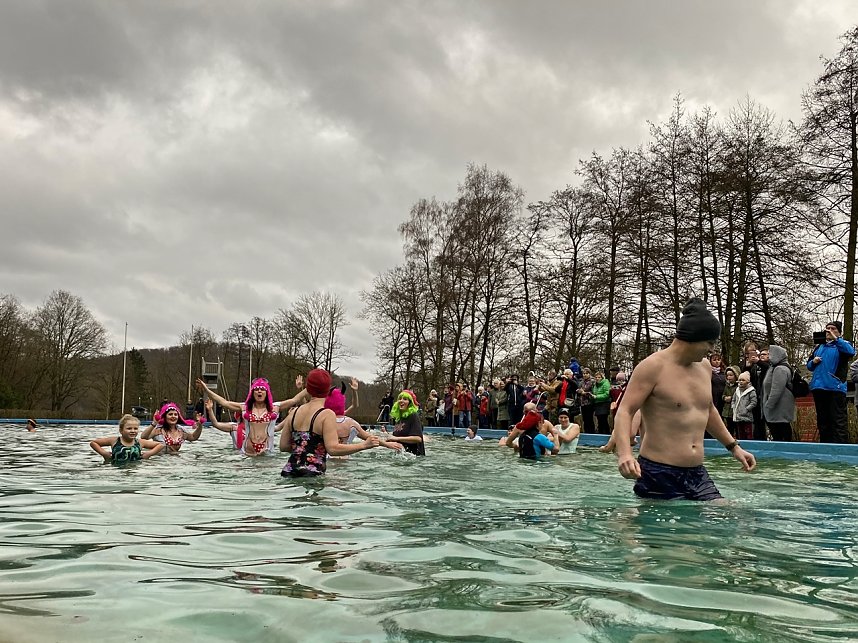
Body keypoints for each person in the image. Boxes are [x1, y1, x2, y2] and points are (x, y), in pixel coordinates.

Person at [613, 298, 756, 501]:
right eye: (709, 343)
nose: (711, 349)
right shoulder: (652, 367)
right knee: (671, 533)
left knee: (729, 517)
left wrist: (734, 447)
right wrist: (625, 454)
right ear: (692, 337)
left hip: (696, 474)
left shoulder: (704, 367)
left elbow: (708, 410)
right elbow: (625, 410)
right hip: (658, 473)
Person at [280, 369, 380, 476]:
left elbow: (283, 446)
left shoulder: (294, 412)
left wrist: (302, 449)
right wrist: (364, 445)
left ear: (307, 388)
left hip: (288, 471)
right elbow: (333, 449)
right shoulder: (327, 414)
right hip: (312, 474)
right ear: (327, 390)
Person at [197, 376, 306, 456]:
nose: (259, 391)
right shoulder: (244, 407)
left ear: (267, 393)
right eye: (256, 389)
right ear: (252, 393)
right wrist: (207, 390)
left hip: (267, 451)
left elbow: (295, 400)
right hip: (247, 452)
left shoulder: (275, 407)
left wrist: (307, 387)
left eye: (262, 389)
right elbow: (224, 402)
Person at [807, 321, 856, 443]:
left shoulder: (843, 344)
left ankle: (841, 449)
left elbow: (851, 352)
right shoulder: (819, 347)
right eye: (827, 328)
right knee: (823, 421)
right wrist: (814, 362)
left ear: (839, 332)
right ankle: (825, 449)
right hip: (819, 387)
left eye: (832, 328)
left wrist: (836, 339)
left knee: (838, 421)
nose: (828, 330)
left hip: (835, 388)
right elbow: (809, 366)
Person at [90, 414, 165, 463]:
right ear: (121, 430)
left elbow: (161, 445)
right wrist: (104, 453)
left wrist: (149, 454)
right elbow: (93, 443)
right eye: (129, 428)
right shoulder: (114, 441)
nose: (133, 431)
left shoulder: (140, 442)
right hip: (116, 470)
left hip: (134, 470)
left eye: (135, 429)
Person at [762, 345, 796, 442]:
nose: (768, 356)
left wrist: (768, 405)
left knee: (780, 431)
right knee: (779, 431)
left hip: (779, 408)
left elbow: (777, 390)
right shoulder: (774, 367)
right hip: (777, 407)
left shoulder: (780, 369)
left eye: (770, 354)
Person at [383, 390, 425, 455]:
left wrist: (396, 438)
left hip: (415, 458)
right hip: (402, 457)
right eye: (400, 399)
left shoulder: (413, 415)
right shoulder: (398, 418)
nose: (401, 401)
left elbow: (418, 438)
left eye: (405, 399)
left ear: (410, 403)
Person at [731, 372, 757, 441]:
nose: (741, 382)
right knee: (740, 434)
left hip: (747, 417)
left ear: (747, 381)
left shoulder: (751, 391)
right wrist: (733, 406)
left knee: (748, 434)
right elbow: (733, 400)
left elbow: (754, 402)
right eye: (740, 380)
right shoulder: (737, 390)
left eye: (743, 380)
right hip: (738, 416)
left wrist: (747, 409)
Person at [720, 366, 740, 437]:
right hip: (727, 411)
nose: (729, 377)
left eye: (731, 375)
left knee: (737, 429)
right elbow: (723, 395)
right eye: (727, 375)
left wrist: (732, 398)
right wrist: (725, 398)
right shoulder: (727, 385)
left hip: (735, 411)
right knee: (729, 428)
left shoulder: (739, 386)